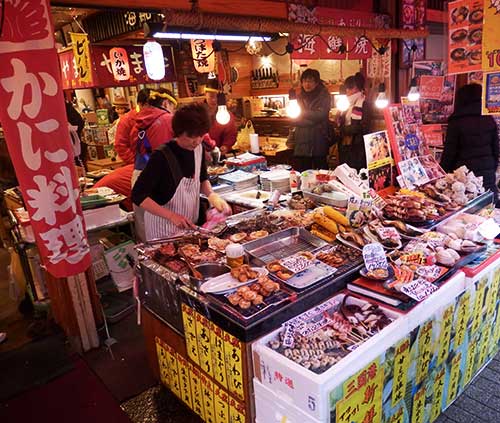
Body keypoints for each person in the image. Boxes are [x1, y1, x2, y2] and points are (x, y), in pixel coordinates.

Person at [132, 104, 231, 241]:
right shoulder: (161, 156)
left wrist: (212, 195)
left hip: (188, 227)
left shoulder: (199, 148)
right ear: (179, 132)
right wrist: (171, 215)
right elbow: (138, 195)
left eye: (201, 135)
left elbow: (202, 178)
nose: (196, 141)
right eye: (191, 136)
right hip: (163, 229)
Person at [441, 83, 499, 203]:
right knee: (488, 208)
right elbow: (496, 150)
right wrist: (490, 169)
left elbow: (449, 153)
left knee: (467, 215)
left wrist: (442, 174)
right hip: (487, 175)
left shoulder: (456, 122)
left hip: (464, 180)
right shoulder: (489, 119)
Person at [290, 68, 331, 171]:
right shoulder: (298, 97)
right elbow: (294, 118)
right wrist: (312, 120)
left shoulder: (324, 96)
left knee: (321, 172)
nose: (307, 84)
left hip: (318, 140)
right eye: (304, 81)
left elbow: (321, 115)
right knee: (303, 173)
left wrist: (302, 114)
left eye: (310, 81)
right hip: (302, 141)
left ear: (316, 82)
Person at [337, 72, 371, 171]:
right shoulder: (345, 103)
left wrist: (345, 130)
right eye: (347, 88)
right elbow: (340, 121)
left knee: (356, 171)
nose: (347, 90)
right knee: (344, 171)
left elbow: (364, 126)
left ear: (357, 88)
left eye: (350, 88)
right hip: (344, 144)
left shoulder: (364, 103)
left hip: (357, 145)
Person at [114, 89, 149, 164]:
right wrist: (136, 162)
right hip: (137, 164)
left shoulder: (156, 118)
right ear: (140, 104)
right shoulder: (126, 120)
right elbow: (120, 146)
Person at [204, 81, 237, 155]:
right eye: (211, 96)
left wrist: (226, 146)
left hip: (219, 155)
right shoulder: (197, 114)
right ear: (205, 95)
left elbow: (231, 134)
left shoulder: (226, 116)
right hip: (201, 154)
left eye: (217, 97)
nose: (214, 100)